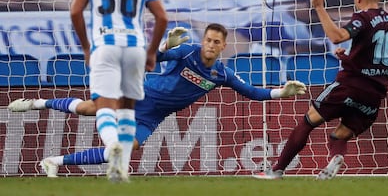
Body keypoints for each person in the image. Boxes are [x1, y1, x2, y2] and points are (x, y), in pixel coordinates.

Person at [8, 23, 307, 178]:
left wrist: (283, 92)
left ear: (223, 46)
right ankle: (38, 103)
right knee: (91, 108)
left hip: (153, 116)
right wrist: (166, 44)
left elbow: (253, 93)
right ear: (203, 40)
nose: (212, 45)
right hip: (139, 92)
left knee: (125, 150)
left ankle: (54, 162)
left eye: (217, 42)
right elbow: (155, 57)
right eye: (209, 40)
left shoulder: (221, 74)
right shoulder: (187, 51)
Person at [252, 0, 388, 180]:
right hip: (374, 94)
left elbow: (337, 36)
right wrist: (347, 57)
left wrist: (319, 7)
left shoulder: (363, 18)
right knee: (338, 135)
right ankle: (336, 156)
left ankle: (277, 170)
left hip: (350, 85)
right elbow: (376, 56)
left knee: (307, 122)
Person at [69, 0, 168, 182]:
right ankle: (120, 169)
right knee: (127, 109)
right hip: (135, 47)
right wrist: (151, 53)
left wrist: (86, 47)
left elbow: (75, 11)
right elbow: (162, 17)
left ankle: (111, 142)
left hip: (105, 45)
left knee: (104, 105)